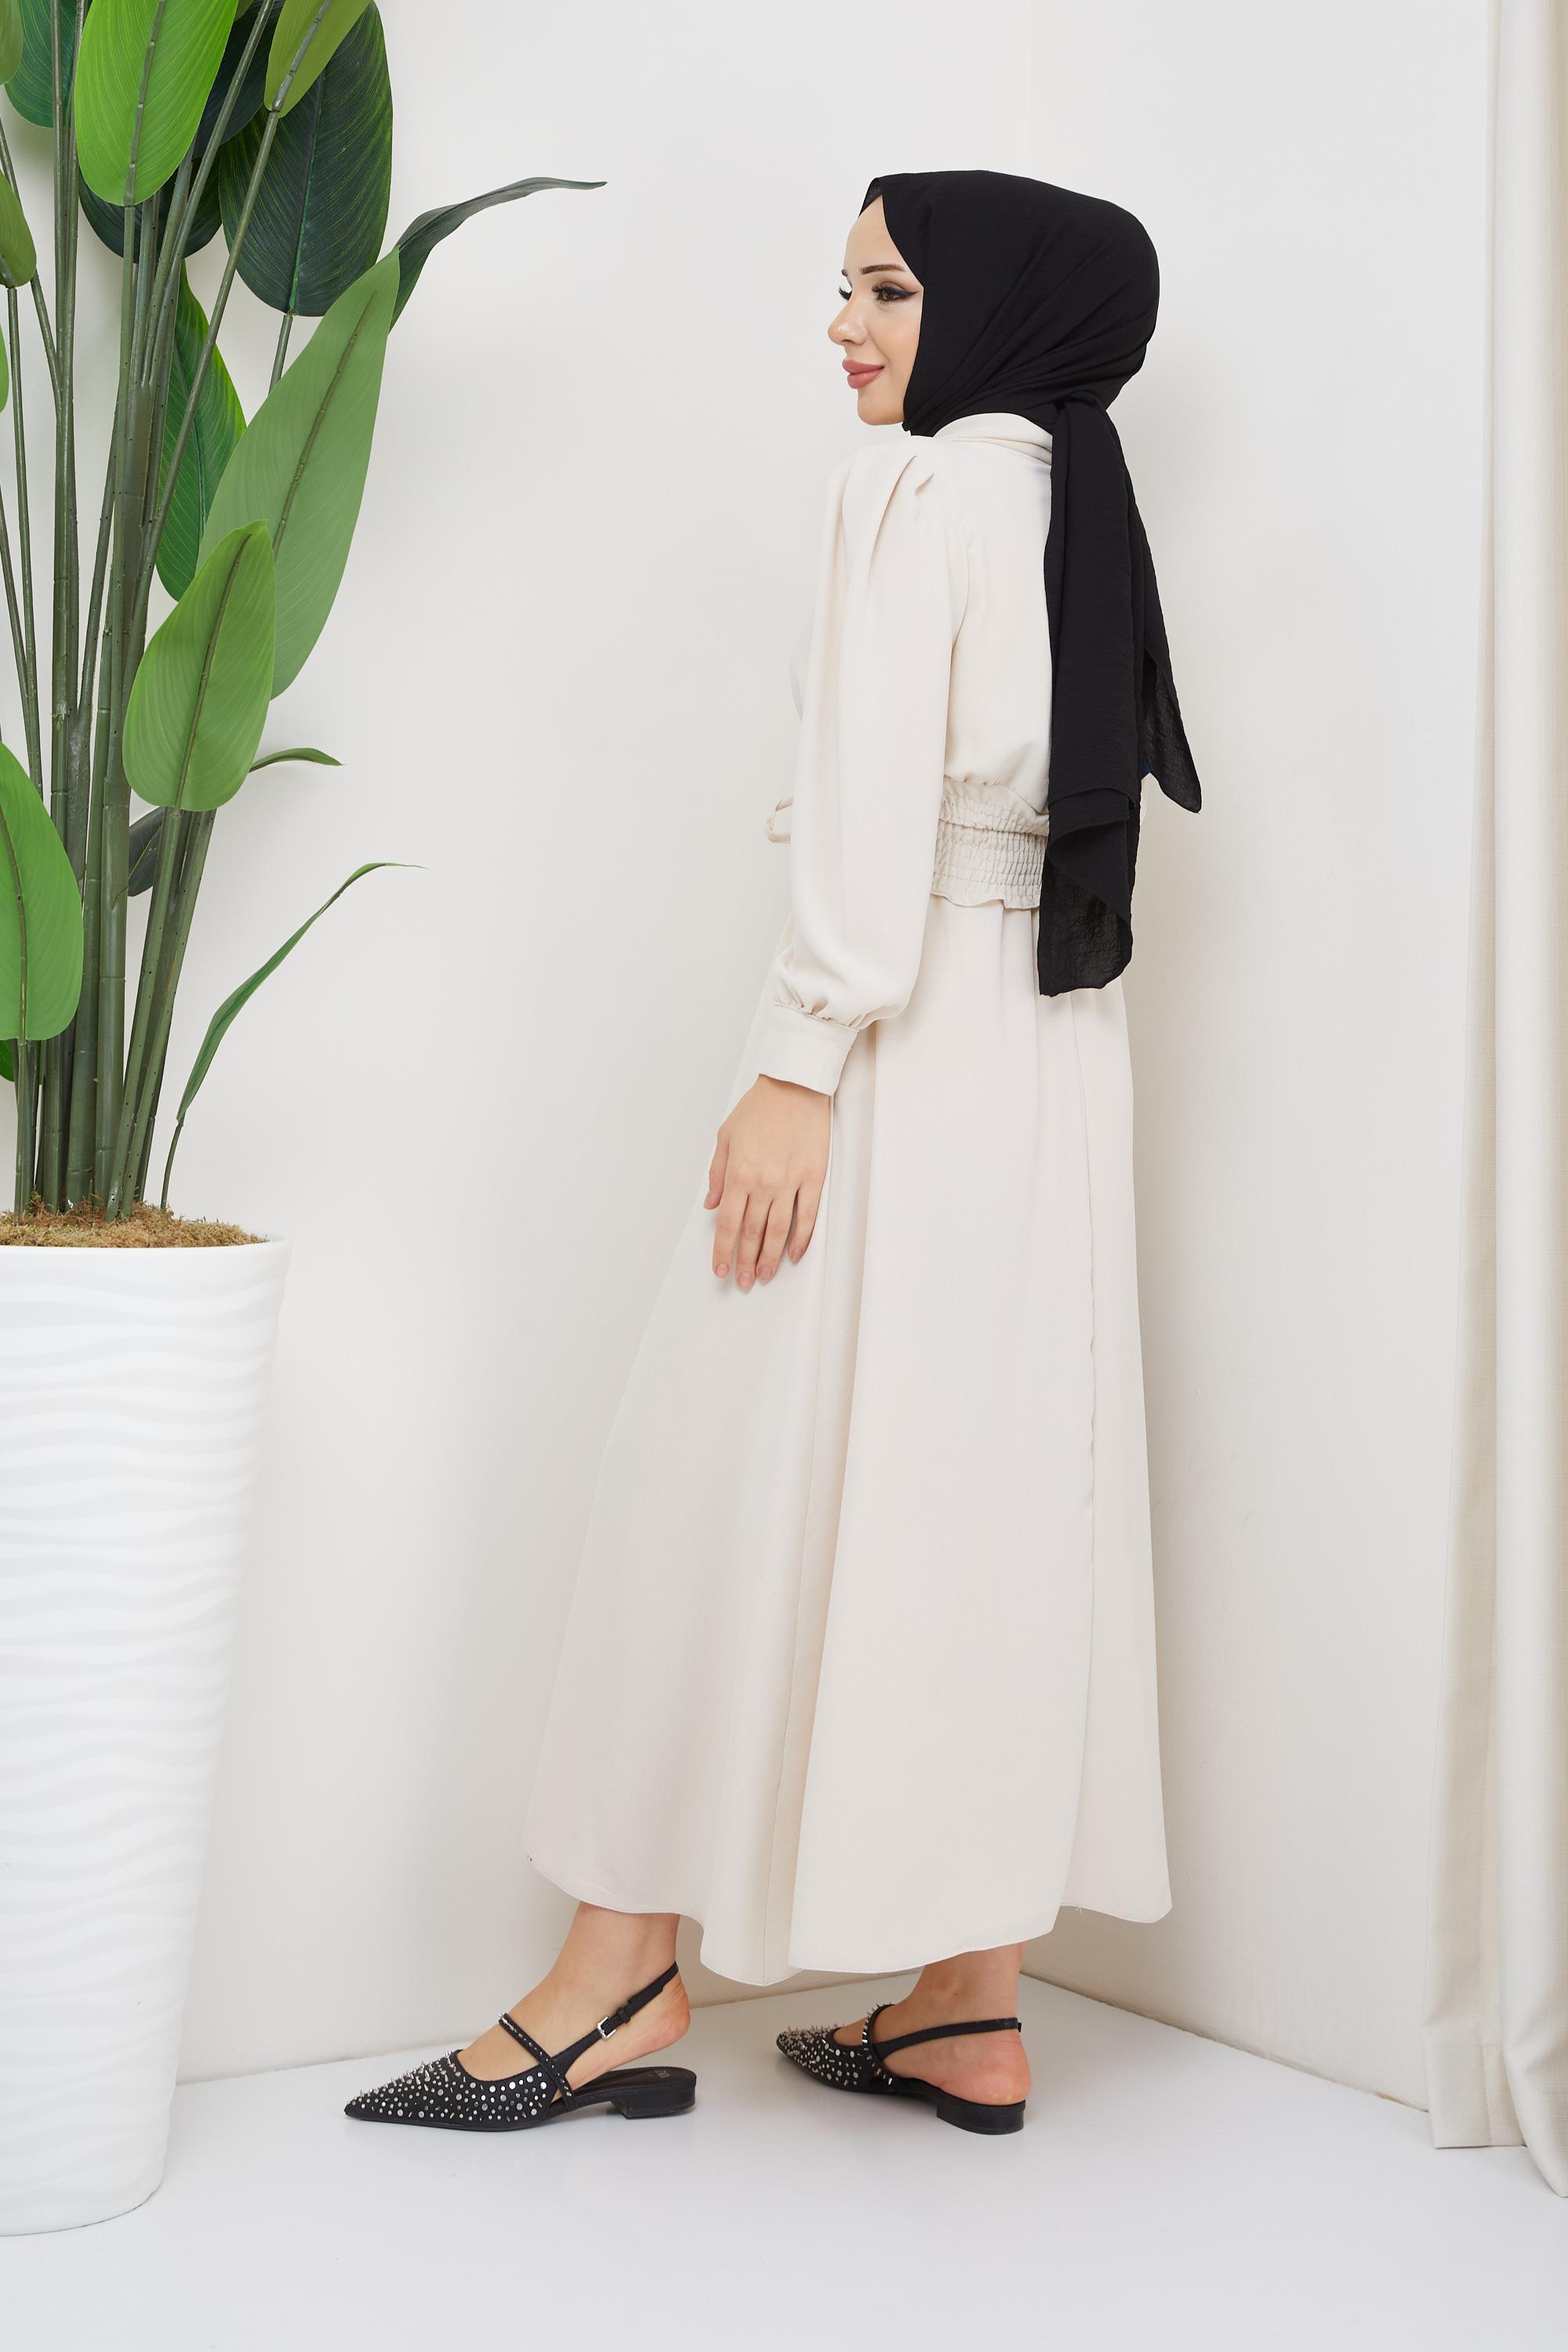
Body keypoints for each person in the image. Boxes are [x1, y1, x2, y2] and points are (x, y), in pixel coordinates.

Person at [346, 168, 1200, 2143]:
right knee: (981, 1493)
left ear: (991, 305)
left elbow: (874, 798)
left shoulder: (910, 492)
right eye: (844, 288)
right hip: (1051, 1057)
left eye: (887, 289)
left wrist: (796, 1061)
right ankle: (967, 2005)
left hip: (893, 1036)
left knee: (710, 1468)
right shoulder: (1077, 505)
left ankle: (614, 1973)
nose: (845, 327)